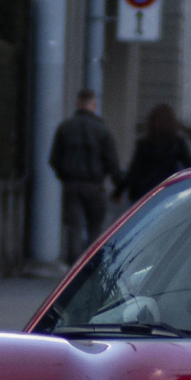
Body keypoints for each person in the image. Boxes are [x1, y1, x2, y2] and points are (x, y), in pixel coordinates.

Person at [48, 89, 120, 257]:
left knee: (74, 227)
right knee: (95, 228)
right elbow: (112, 162)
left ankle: (73, 269)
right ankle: (90, 266)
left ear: (77, 103)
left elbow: (54, 159)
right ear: (94, 105)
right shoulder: (102, 130)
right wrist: (118, 187)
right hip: (94, 186)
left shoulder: (65, 127)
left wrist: (65, 176)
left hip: (72, 185)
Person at [123, 104, 191, 204]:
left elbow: (134, 171)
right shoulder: (178, 143)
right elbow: (190, 165)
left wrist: (119, 191)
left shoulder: (144, 144)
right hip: (169, 189)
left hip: (145, 192)